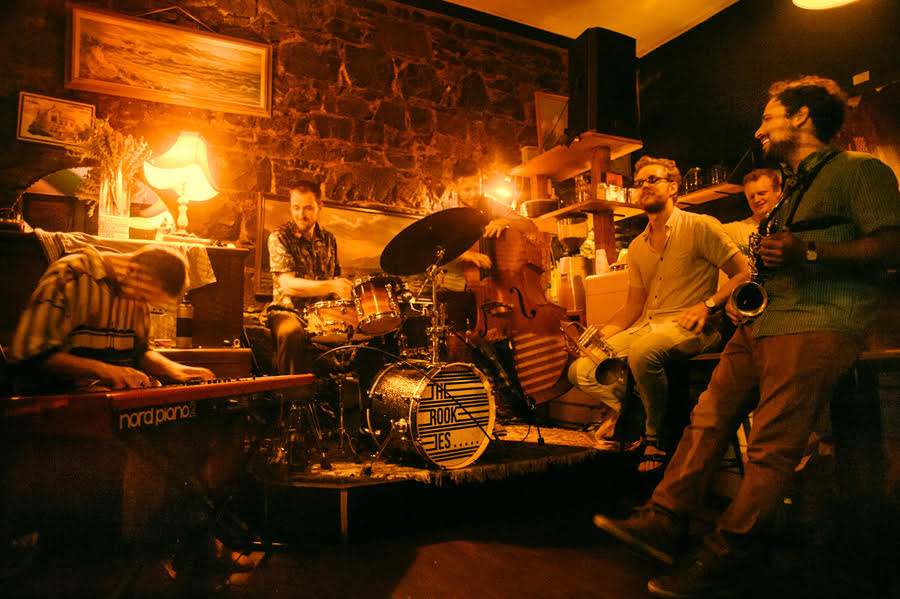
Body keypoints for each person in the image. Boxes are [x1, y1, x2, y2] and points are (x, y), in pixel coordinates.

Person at [592, 75, 900, 598]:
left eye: (768, 116)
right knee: (705, 421)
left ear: (801, 116)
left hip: (816, 321)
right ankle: (665, 519)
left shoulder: (860, 171)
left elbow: (892, 244)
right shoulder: (792, 188)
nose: (759, 128)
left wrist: (808, 253)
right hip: (761, 322)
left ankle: (731, 554)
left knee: (770, 447)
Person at [567, 156, 750, 472]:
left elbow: (743, 273)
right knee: (581, 369)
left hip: (697, 325)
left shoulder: (700, 226)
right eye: (640, 183)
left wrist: (708, 305)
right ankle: (634, 416)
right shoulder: (637, 246)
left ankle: (656, 439)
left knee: (642, 353)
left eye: (653, 179)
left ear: (673, 187)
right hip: (649, 325)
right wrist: (600, 335)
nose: (645, 187)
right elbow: (633, 307)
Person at [9, 244, 215, 391]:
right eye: (143, 297)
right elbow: (32, 355)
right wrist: (106, 371)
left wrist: (175, 369)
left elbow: (140, 352)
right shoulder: (70, 275)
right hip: (56, 405)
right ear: (134, 271)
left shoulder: (135, 291)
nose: (142, 305)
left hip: (109, 404)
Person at [266, 181, 354, 375]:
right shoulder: (279, 237)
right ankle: (290, 400)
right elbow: (288, 285)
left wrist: (346, 294)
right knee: (290, 333)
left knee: (360, 333)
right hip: (287, 312)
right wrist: (333, 285)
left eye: (307, 208)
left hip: (323, 315)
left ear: (320, 206)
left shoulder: (329, 239)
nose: (301, 214)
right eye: (295, 208)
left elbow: (335, 277)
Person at [722, 168, 782, 253]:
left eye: (761, 193)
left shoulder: (789, 224)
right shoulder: (737, 230)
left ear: (777, 190)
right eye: (751, 197)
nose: (756, 200)